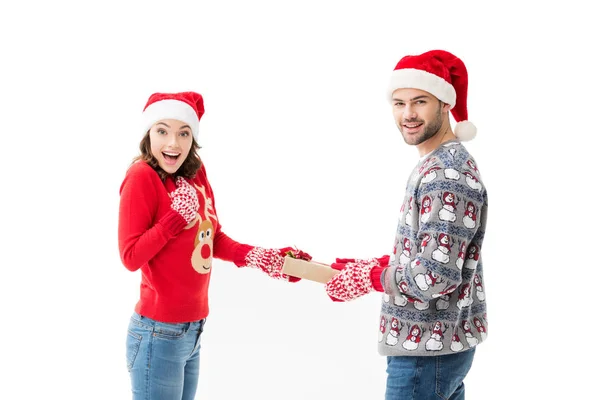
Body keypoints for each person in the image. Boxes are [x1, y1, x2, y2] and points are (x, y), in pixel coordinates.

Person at [119, 91, 308, 400]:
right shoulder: (142, 177)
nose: (173, 144)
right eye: (162, 130)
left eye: (184, 133)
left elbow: (212, 238)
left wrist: (262, 258)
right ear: (148, 133)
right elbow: (130, 256)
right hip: (158, 332)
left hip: (193, 329)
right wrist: (175, 218)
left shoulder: (196, 173)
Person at [324, 50, 488, 400]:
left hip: (427, 353)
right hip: (437, 346)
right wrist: (373, 266)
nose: (407, 114)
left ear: (444, 103)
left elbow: (436, 275)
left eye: (420, 102)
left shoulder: (447, 173)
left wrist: (369, 278)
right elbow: (429, 255)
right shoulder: (438, 164)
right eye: (398, 103)